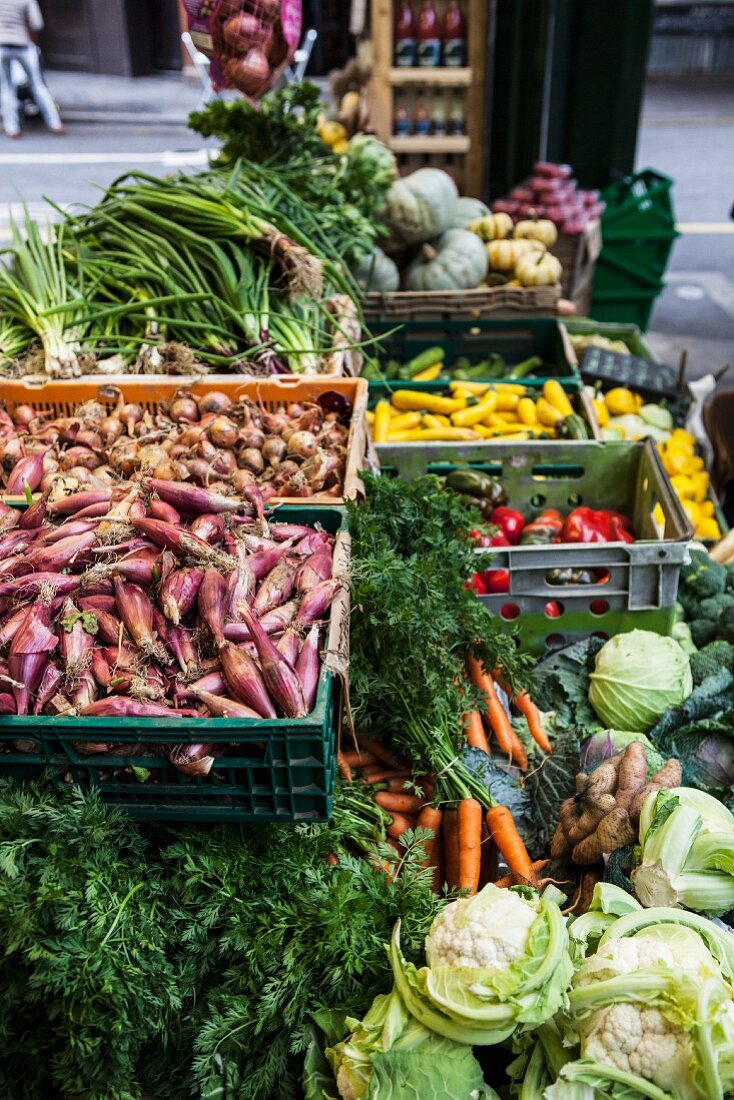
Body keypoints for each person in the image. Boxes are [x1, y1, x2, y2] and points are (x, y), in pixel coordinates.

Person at [0, 0, 64, 138]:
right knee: (38, 84)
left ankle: (12, 128)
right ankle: (55, 123)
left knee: (6, 88)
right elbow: (37, 23)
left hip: (1, 45)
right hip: (22, 44)